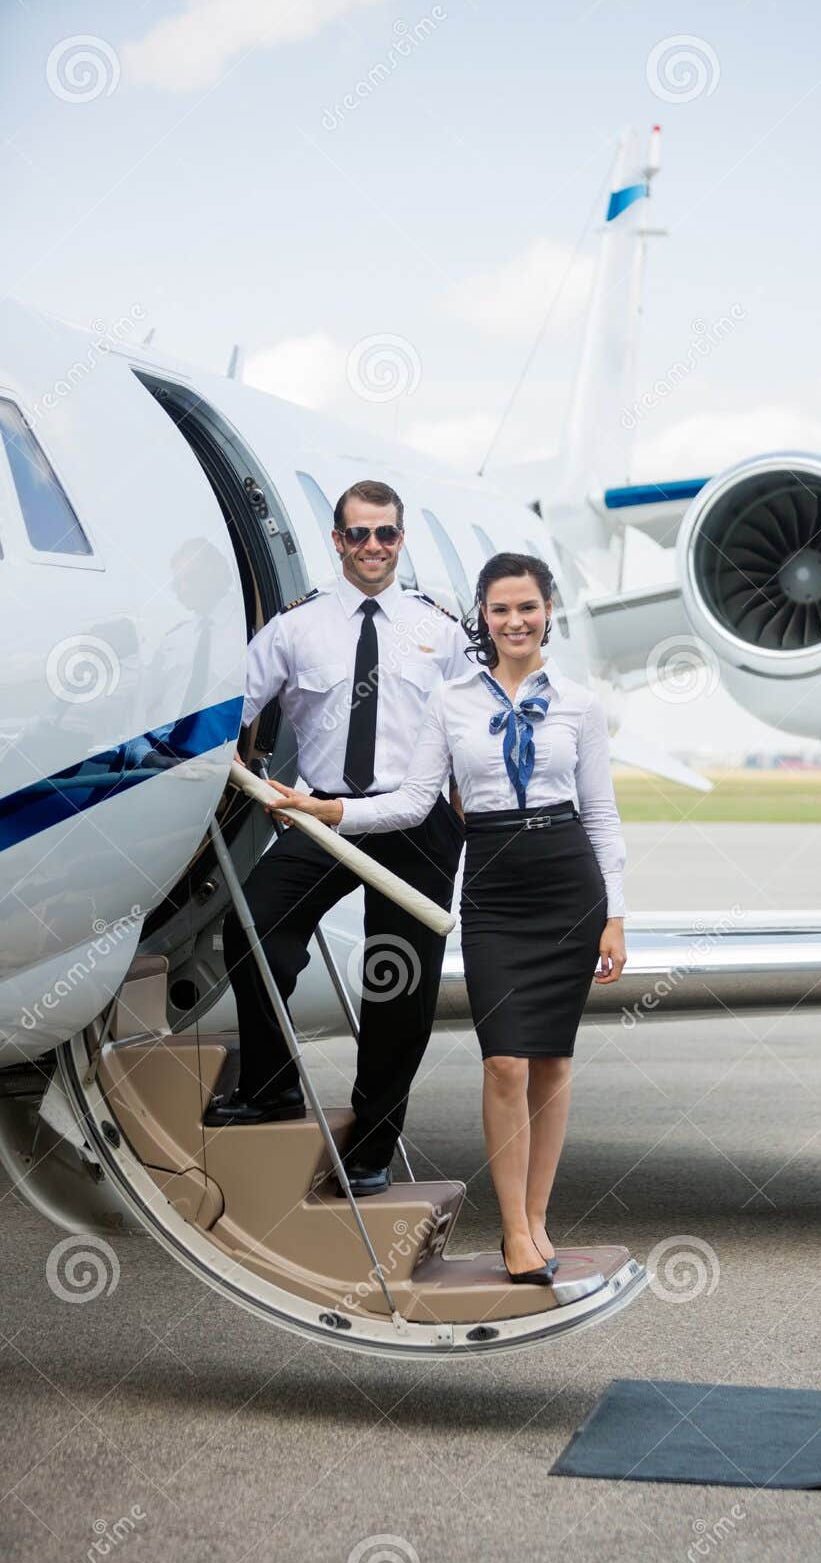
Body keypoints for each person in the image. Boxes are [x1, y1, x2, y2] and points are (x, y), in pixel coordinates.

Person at [265, 552, 627, 1285]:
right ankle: (512, 1232)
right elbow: (410, 801)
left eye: (526, 608)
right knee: (503, 1063)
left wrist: (613, 915)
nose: (514, 621)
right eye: (500, 610)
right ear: (482, 619)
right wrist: (323, 808)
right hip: (493, 885)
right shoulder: (451, 700)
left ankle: (537, 1220)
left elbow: (601, 815)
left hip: (567, 882)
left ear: (547, 612)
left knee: (551, 1064)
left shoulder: (581, 707)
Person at [206, 479, 468, 1198]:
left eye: (385, 534)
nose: (373, 547)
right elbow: (233, 705)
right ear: (336, 540)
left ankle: (371, 1148)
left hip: (416, 825)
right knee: (255, 926)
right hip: (322, 814)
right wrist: (218, 756)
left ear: (400, 538)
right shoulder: (298, 627)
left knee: (397, 989)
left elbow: (475, 726)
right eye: (359, 534)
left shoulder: (437, 630)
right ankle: (271, 1087)